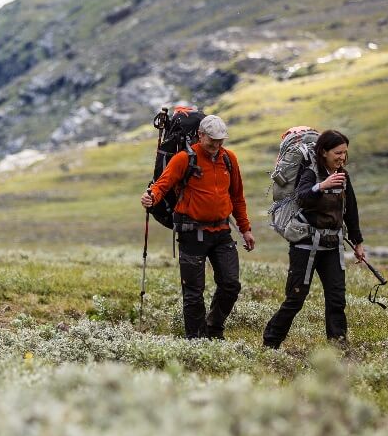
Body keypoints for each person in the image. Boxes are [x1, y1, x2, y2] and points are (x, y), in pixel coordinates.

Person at [140, 114, 255, 339]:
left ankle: (214, 327)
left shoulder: (229, 159)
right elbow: (163, 184)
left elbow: (238, 197)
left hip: (222, 232)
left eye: (220, 140)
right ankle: (196, 340)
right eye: (212, 140)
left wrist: (245, 229)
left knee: (231, 285)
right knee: (193, 293)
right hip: (191, 233)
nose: (216, 145)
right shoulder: (183, 159)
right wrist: (151, 197)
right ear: (200, 135)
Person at [263, 129, 366, 349]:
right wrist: (322, 186)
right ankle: (270, 342)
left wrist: (357, 242)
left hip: (332, 246)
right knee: (296, 298)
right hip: (305, 245)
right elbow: (302, 198)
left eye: (345, 153)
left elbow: (351, 210)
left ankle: (338, 347)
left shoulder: (343, 175)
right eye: (337, 153)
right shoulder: (310, 172)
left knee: (337, 300)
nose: (342, 157)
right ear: (324, 152)